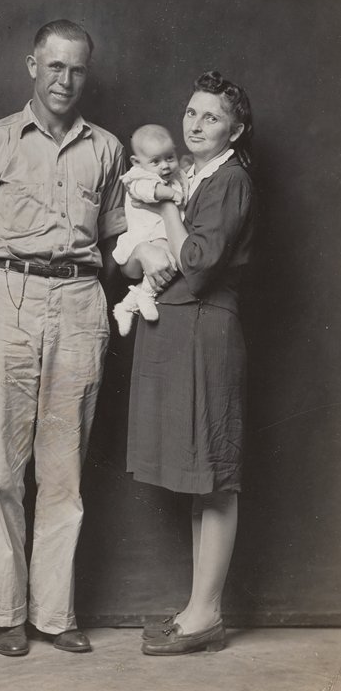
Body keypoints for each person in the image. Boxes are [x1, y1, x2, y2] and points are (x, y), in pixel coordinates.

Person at [0, 20, 126, 657]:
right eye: (54, 67)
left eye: (76, 70)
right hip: (5, 299)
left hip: (80, 301)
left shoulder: (107, 148)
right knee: (0, 469)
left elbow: (119, 242)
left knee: (64, 471)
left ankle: (54, 613)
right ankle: (7, 614)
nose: (64, 81)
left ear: (86, 74)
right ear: (32, 66)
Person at [122, 70, 255, 656]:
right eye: (192, 113)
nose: (196, 124)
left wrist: (171, 206)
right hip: (183, 332)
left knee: (216, 479)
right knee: (200, 477)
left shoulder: (228, 179)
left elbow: (196, 265)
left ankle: (206, 615)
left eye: (212, 117)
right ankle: (198, 608)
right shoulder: (197, 174)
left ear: (236, 129)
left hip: (208, 330)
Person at [112, 125, 189, 336]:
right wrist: (171, 195)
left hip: (161, 234)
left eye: (170, 157)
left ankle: (127, 305)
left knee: (169, 263)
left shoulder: (171, 175)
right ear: (137, 162)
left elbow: (182, 179)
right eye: (156, 161)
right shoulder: (138, 177)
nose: (165, 166)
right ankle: (145, 296)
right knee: (169, 263)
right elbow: (147, 192)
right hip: (146, 235)